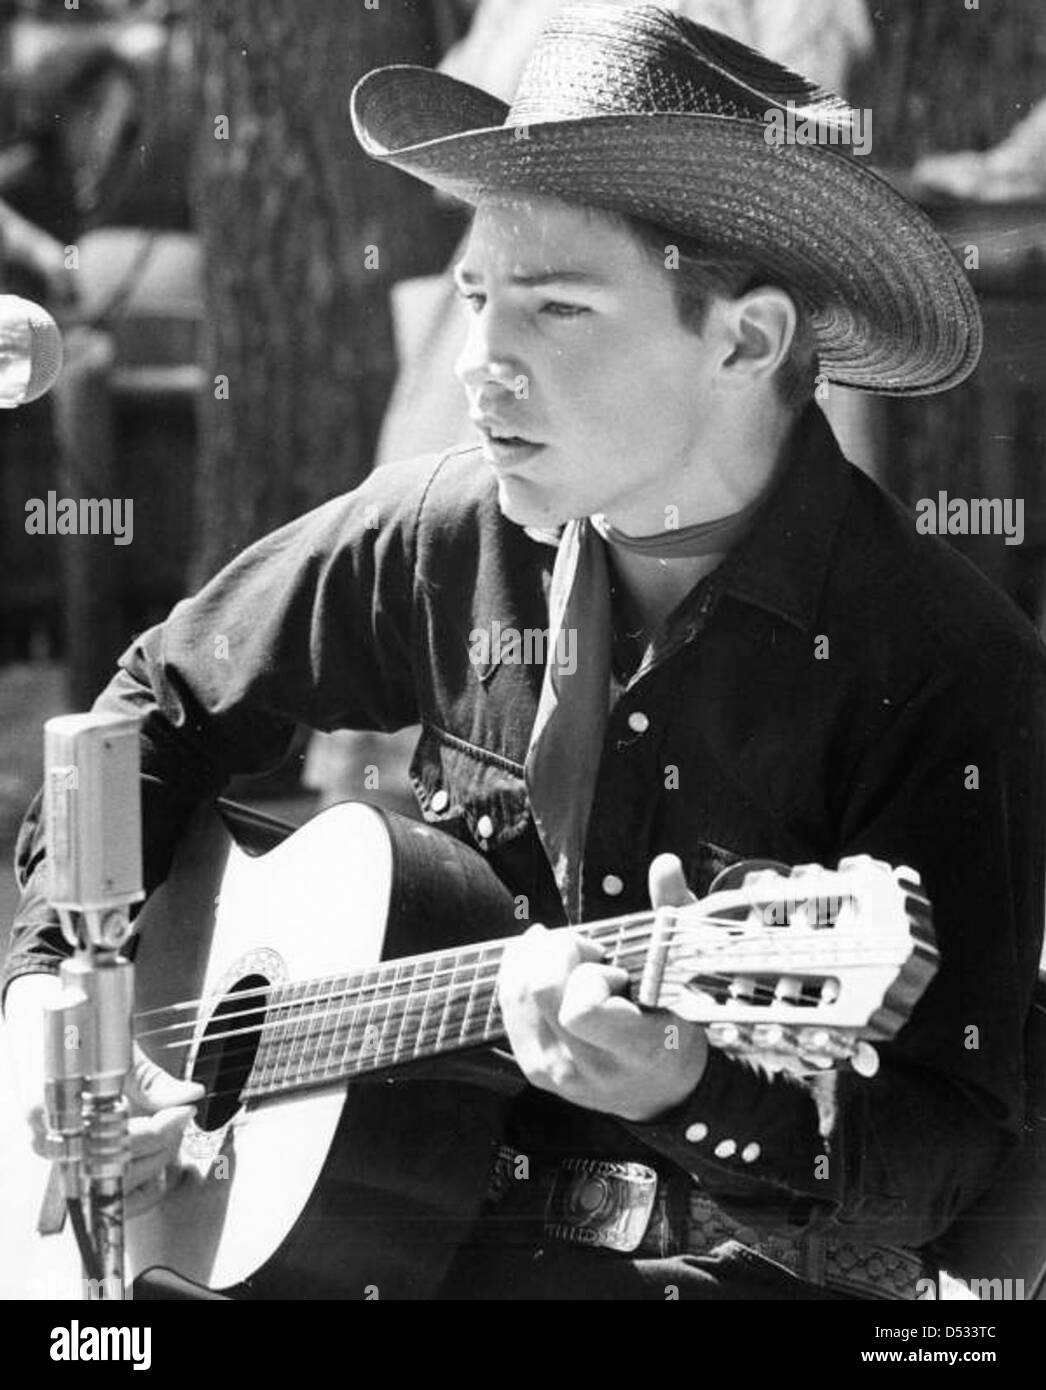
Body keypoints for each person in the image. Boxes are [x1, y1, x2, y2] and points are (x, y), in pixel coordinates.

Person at [5, 3, 1046, 1300]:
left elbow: (946, 1164)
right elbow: (155, 698)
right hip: (373, 1249)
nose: (483, 365)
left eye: (554, 310)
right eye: (478, 298)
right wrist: (60, 993)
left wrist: (691, 1086)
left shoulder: (948, 665)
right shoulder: (444, 527)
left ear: (745, 340)